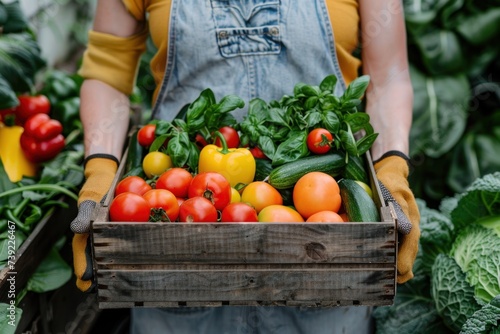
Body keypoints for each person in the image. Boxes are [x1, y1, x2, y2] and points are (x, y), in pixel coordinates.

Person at [70, 0, 420, 333]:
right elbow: (107, 73)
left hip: (326, 277)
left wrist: (391, 169)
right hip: (174, 266)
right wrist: (101, 170)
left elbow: (388, 77)